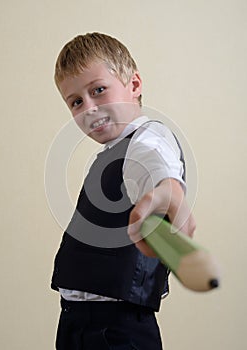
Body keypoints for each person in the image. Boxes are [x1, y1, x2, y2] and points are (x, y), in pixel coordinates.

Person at [51, 32, 195, 350]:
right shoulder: (111, 154)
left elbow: (156, 166)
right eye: (76, 101)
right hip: (77, 321)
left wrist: (167, 191)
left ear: (134, 85)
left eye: (99, 90)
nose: (88, 108)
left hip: (115, 328)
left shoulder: (147, 138)